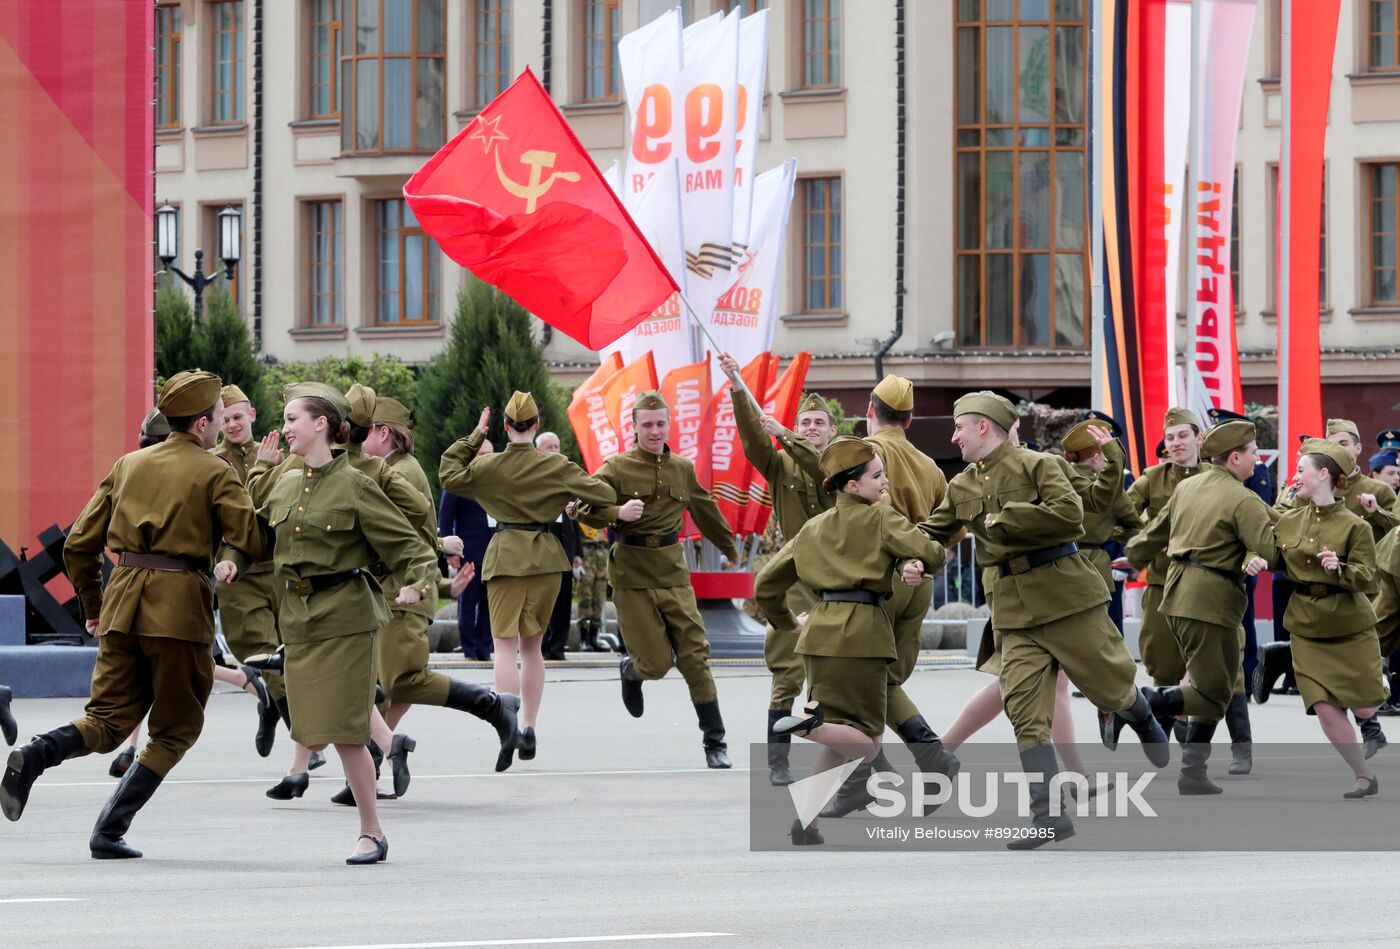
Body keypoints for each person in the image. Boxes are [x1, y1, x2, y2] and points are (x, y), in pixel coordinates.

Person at [2, 371, 267, 859]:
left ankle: (37, 754)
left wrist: (94, 605)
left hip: (122, 604)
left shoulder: (128, 464)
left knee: (105, 719)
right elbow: (250, 538)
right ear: (205, 423)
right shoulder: (215, 471)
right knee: (176, 729)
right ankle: (109, 830)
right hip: (180, 608)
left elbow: (79, 544)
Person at [918, 391, 1167, 849]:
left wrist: (1006, 519)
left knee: (1108, 685)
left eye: (959, 427)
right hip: (1014, 611)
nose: (953, 436)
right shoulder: (962, 486)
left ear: (984, 428)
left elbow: (1069, 515)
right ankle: (1048, 814)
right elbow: (932, 532)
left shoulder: (1040, 467)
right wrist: (909, 557)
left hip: (1064, 596)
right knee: (1025, 712)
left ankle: (1141, 711)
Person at [228, 384, 438, 864]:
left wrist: (415, 585)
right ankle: (360, 772)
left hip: (347, 617)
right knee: (312, 729)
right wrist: (230, 559)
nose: (284, 429)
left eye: (292, 419)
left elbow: (411, 547)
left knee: (346, 732)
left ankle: (371, 831)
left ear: (321, 424)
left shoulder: (357, 485)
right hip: (298, 621)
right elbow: (253, 536)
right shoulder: (283, 480)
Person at [755, 437, 945, 846]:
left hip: (818, 636)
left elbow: (765, 583)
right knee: (867, 739)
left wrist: (785, 621)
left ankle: (805, 823)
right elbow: (932, 550)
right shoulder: (881, 518)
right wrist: (914, 562)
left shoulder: (812, 528)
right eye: (877, 475)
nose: (885, 481)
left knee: (844, 739)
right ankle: (810, 726)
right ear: (853, 486)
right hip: (864, 636)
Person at [440, 392, 615, 763]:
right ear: (536, 426)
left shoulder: (491, 466)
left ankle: (508, 725)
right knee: (531, 648)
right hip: (547, 559)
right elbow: (603, 492)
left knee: (503, 647)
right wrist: (574, 504)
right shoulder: (557, 465)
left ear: (505, 427)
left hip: (505, 556)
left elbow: (448, 473)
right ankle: (531, 727)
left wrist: (474, 437)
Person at [573, 390, 741, 769]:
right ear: (633, 428)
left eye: (660, 423)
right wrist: (618, 511)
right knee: (656, 664)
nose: (654, 430)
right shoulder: (615, 467)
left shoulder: (682, 468)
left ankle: (715, 741)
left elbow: (705, 508)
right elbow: (583, 509)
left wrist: (729, 549)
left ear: (669, 425)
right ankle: (632, 671)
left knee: (696, 657)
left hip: (672, 572)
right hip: (632, 575)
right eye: (647, 424)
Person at [359, 393, 522, 776]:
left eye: (363, 430)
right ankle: (369, 766)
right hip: (397, 590)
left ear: (383, 433)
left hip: (403, 591)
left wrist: (435, 554)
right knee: (385, 686)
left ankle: (495, 707)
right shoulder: (396, 467)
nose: (356, 437)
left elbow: (399, 537)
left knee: (403, 682)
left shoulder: (399, 473)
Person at [1124, 419, 1277, 795]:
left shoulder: (1188, 486)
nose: (1258, 460)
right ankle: (1141, 703)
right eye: (1254, 453)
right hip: (1210, 600)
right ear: (1235, 457)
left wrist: (1133, 555)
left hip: (1174, 593)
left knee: (1218, 687)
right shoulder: (1243, 498)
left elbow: (1156, 530)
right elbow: (1271, 552)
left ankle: (1193, 772)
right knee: (1214, 689)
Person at [1247, 439, 1387, 797]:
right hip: (1306, 626)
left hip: (1349, 624)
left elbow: (1367, 578)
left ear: (1324, 474)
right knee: (1324, 707)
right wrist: (1256, 559)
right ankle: (1362, 775)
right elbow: (1275, 555)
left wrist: (1338, 568)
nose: (1295, 477)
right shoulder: (1291, 518)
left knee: (1366, 703)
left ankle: (1380, 682)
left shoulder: (1356, 527)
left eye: (1300, 470)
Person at [721, 351, 834, 787]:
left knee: (833, 674)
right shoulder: (781, 461)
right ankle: (778, 764)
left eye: (818, 423)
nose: (810, 428)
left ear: (831, 430)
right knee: (787, 670)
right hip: (796, 576)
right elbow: (753, 442)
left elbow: (821, 469)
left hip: (837, 578)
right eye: (805, 423)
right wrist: (736, 387)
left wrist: (787, 434)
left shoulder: (839, 464)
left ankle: (844, 760)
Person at [211, 384, 284, 758]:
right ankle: (309, 742)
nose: (232, 424)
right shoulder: (212, 461)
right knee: (265, 655)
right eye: (224, 419)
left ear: (252, 415)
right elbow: (231, 518)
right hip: (238, 573)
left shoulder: (275, 455)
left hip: (280, 571)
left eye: (238, 416)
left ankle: (273, 708)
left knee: (291, 657)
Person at [1118, 409, 1204, 710]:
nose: (1176, 443)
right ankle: (1169, 720)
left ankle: (1191, 726)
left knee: (1207, 664)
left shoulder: (1214, 478)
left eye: (1182, 435)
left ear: (1199, 437)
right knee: (1162, 661)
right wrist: (1151, 539)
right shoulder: (1153, 479)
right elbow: (1122, 514)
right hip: (1162, 582)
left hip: (1205, 585)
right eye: (1170, 437)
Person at [438, 444, 497, 660]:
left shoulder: (497, 482)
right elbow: (445, 517)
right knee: (468, 602)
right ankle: (469, 646)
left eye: (489, 453)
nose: (486, 457)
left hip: (494, 552)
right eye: (482, 453)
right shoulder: (458, 482)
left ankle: (484, 645)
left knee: (490, 603)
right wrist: (448, 551)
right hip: (468, 551)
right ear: (472, 456)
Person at [533, 431, 584, 660]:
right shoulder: (532, 479)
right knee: (542, 602)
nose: (554, 451)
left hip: (565, 551)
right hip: (541, 552)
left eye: (556, 446)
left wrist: (578, 553)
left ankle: (558, 647)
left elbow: (574, 520)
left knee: (564, 601)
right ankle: (539, 646)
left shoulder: (566, 478)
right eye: (548, 447)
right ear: (537, 451)